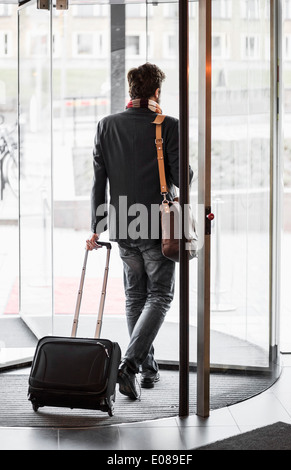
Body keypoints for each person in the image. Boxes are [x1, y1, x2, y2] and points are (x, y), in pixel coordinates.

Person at [86, 63, 193, 400]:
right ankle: (130, 366)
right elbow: (183, 178)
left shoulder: (106, 125)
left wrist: (98, 225)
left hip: (121, 223)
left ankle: (147, 369)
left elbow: (98, 181)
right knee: (160, 295)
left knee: (135, 296)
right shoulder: (169, 125)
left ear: (130, 91)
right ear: (156, 92)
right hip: (157, 224)